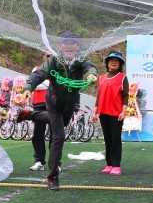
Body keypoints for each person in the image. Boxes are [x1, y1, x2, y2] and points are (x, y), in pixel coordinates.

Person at [15, 33, 98, 191]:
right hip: (53, 102)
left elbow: (90, 67)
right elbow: (38, 75)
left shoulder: (81, 59)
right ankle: (53, 177)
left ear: (77, 46)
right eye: (66, 43)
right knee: (58, 136)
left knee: (60, 124)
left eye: (72, 43)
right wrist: (27, 89)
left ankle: (30, 114)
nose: (69, 46)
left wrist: (91, 75)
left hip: (71, 103)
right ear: (60, 46)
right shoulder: (53, 60)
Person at [92, 51, 129, 176]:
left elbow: (125, 96)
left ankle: (116, 165)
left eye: (116, 60)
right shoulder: (102, 78)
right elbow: (99, 96)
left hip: (116, 113)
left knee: (115, 139)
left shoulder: (123, 77)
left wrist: (123, 112)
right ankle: (109, 164)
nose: (113, 62)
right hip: (103, 113)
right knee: (107, 139)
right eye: (111, 60)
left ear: (120, 64)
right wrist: (95, 112)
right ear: (107, 63)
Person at [29, 53, 50, 171]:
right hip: (38, 104)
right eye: (47, 55)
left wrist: (43, 83)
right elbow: (34, 84)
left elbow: (58, 85)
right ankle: (39, 161)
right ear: (43, 56)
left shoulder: (58, 70)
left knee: (56, 135)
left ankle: (55, 163)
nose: (49, 58)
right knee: (38, 134)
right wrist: (49, 83)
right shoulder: (36, 69)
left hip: (54, 104)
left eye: (51, 56)